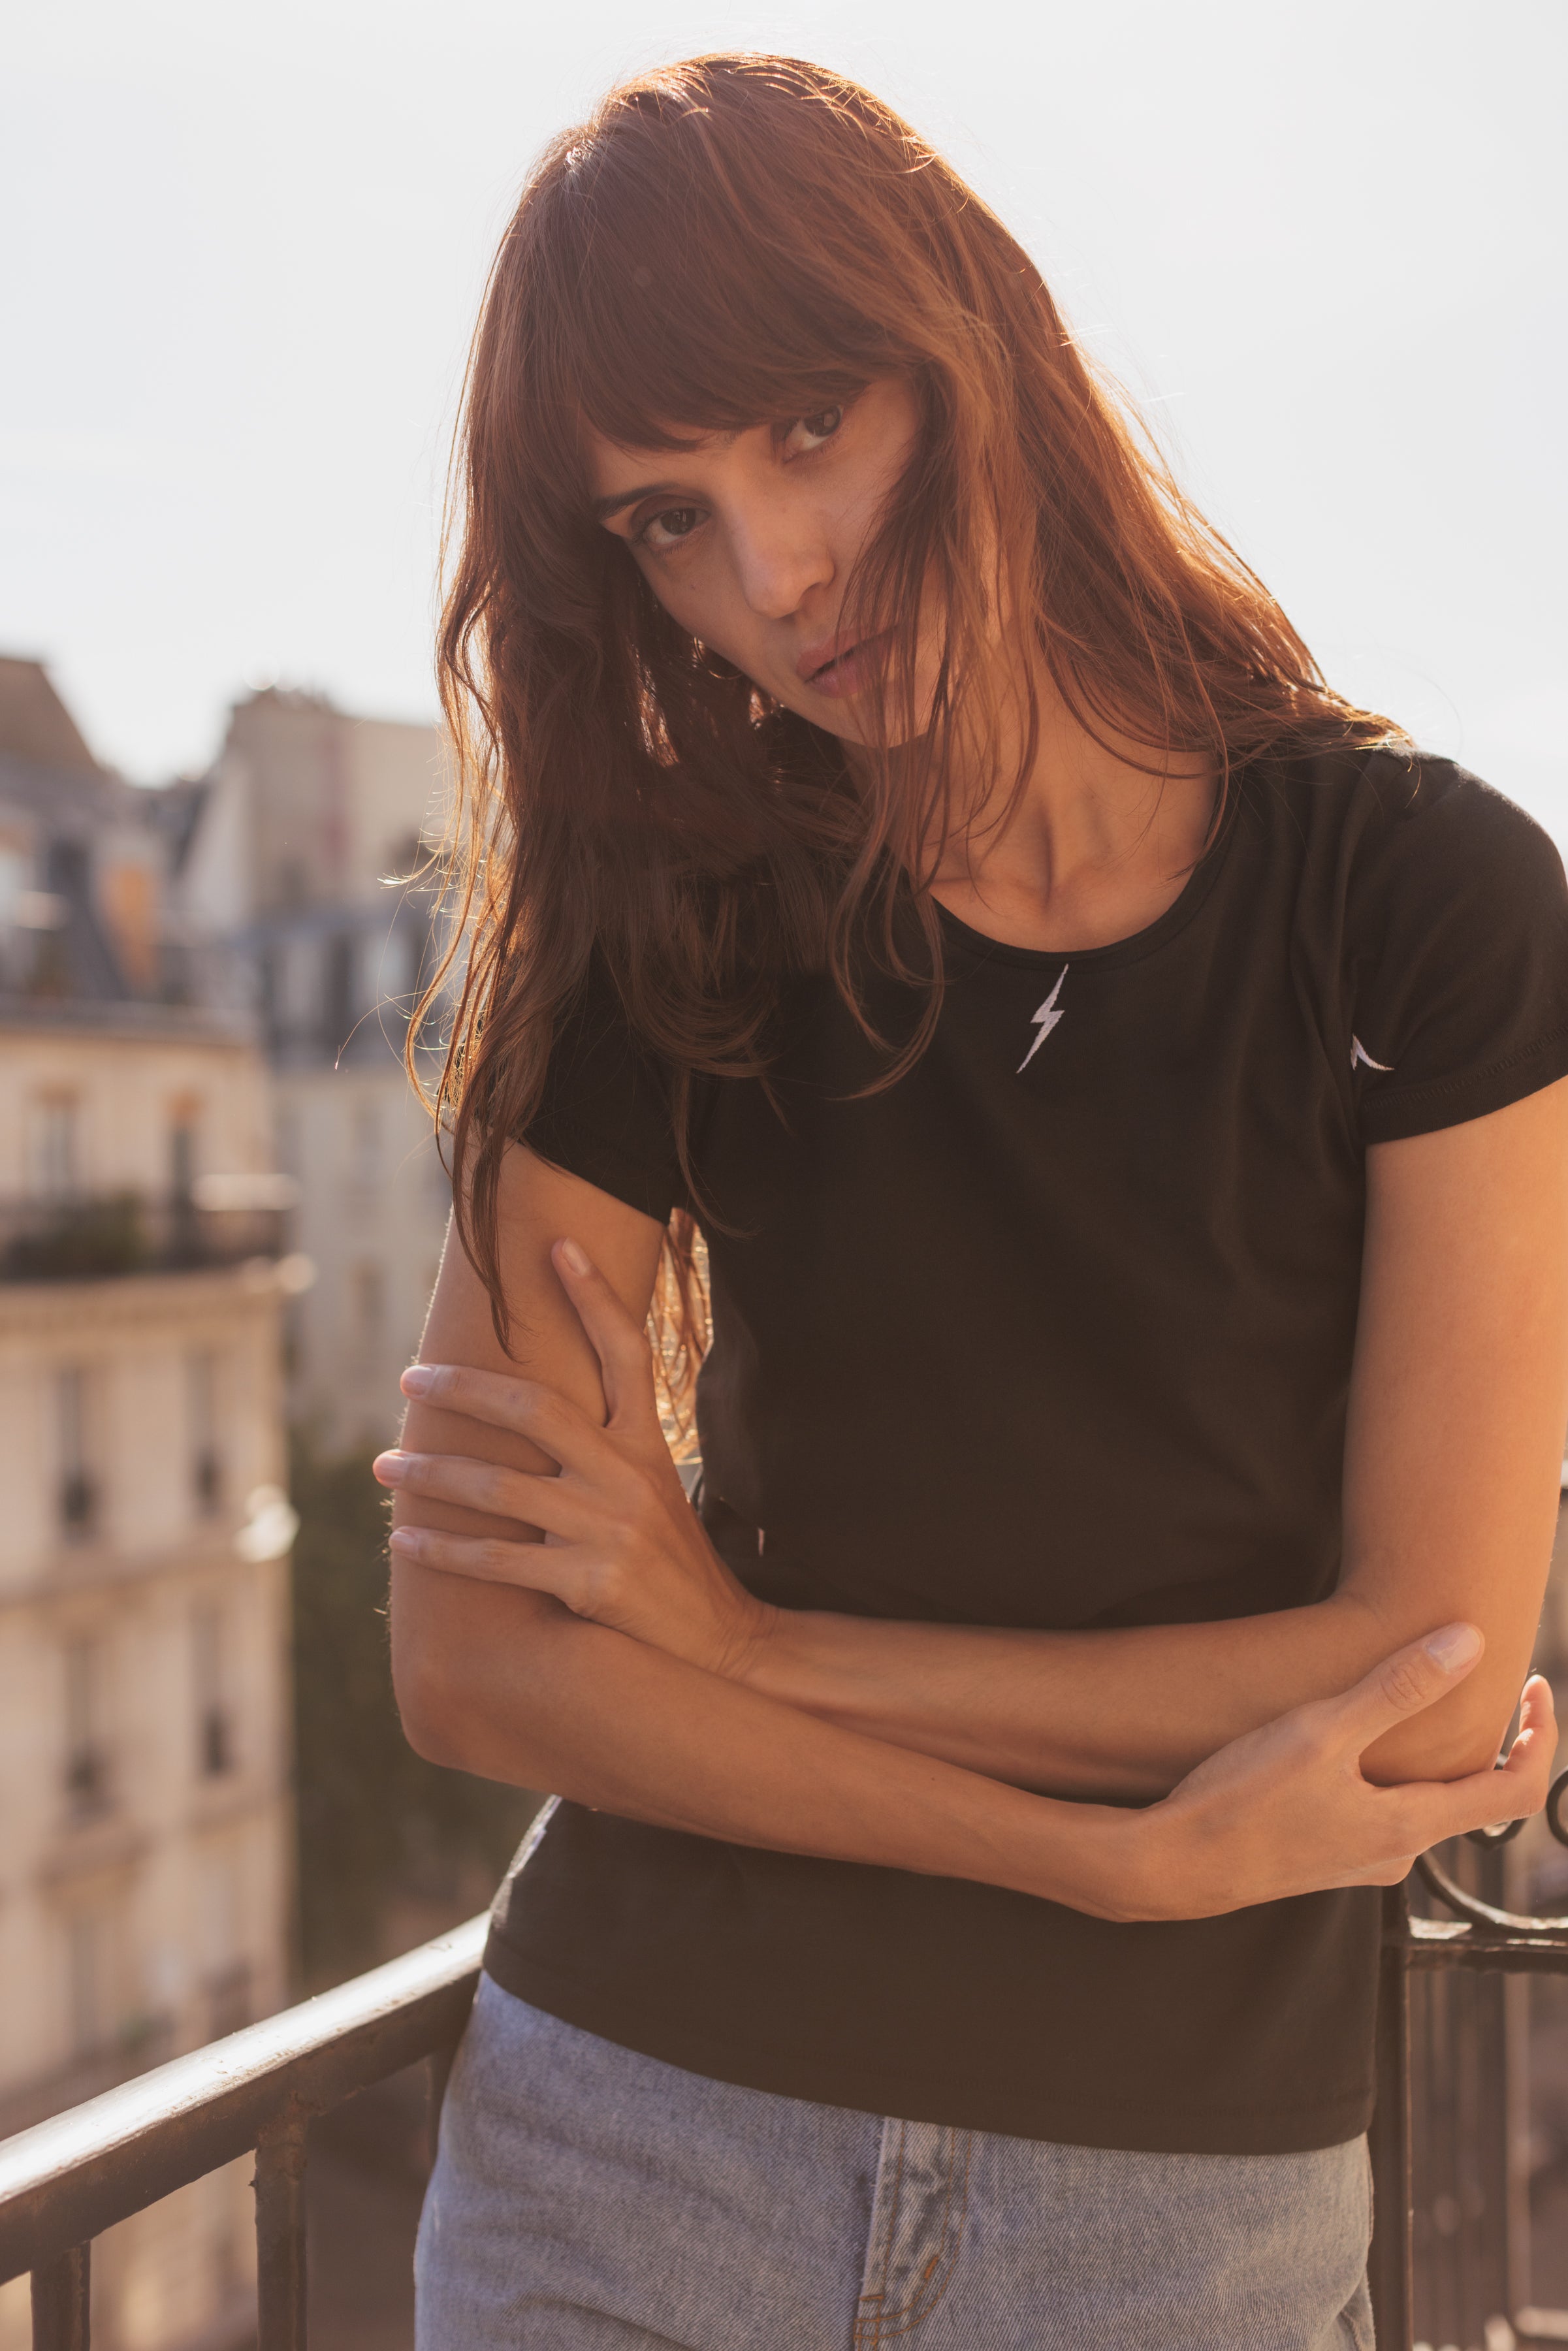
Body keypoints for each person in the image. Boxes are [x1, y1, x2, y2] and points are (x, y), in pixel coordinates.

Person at [376, 54, 1568, 2351]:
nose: (769, 575)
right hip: (627, 2133)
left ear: (968, 350)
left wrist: (736, 1653)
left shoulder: (1424, 902)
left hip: (1168, 2221)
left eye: (801, 433)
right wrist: (1109, 1853)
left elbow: (1415, 1683)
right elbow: (477, 1656)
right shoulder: (679, 920)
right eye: (665, 522)